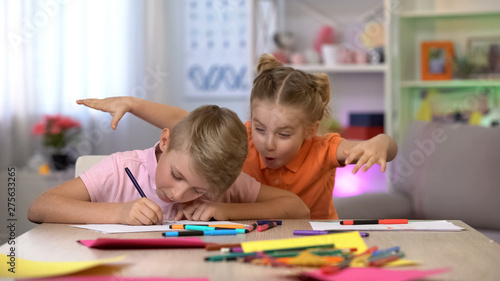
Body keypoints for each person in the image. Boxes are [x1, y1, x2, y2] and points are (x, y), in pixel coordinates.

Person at [76, 54, 398, 219]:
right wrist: (131, 104)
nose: (267, 142)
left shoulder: (324, 148)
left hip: (312, 236)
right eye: (259, 128)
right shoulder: (241, 139)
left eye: (284, 134)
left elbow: (385, 146)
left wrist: (380, 144)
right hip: (252, 239)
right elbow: (185, 122)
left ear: (310, 130)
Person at [28, 105, 310, 225]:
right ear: (165, 140)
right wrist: (119, 212)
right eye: (176, 175)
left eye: (198, 190)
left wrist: (225, 209)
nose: (178, 194)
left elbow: (298, 207)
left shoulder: (223, 180)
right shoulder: (121, 169)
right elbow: (39, 207)